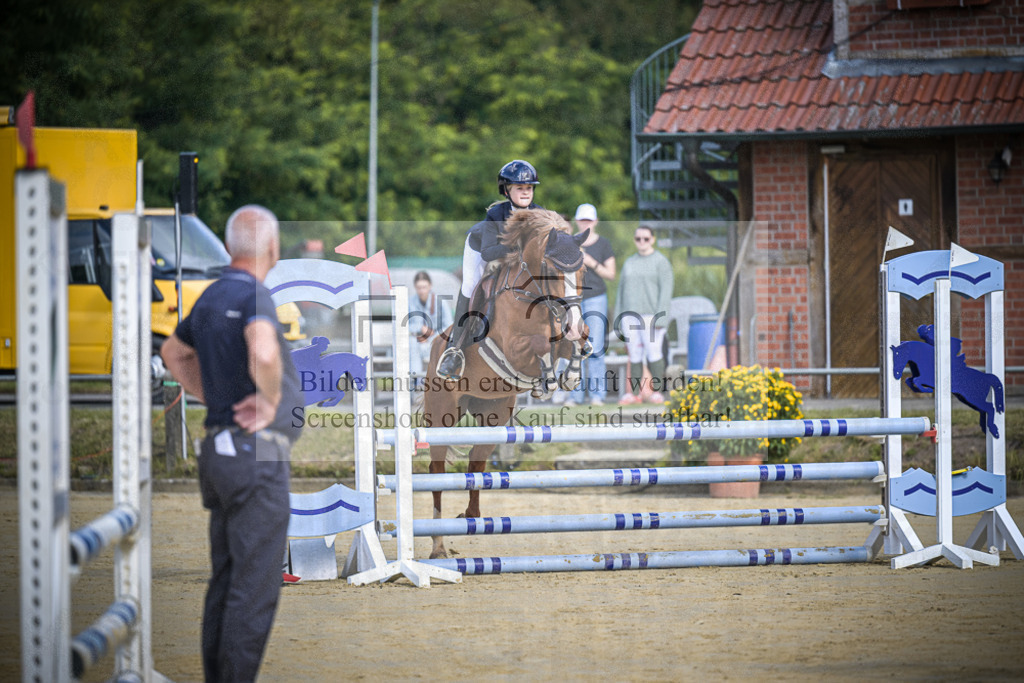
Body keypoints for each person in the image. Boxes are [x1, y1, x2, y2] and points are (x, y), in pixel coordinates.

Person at [160, 204, 303, 683]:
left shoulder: (210, 293)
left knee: (225, 580)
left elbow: (172, 352)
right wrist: (267, 401)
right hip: (256, 454)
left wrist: (213, 397)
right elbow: (263, 349)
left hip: (217, 451)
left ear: (226, 247)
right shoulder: (255, 295)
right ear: (272, 249)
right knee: (254, 588)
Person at [436, 159, 542, 381]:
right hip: (481, 249)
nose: (526, 192)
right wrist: (516, 243)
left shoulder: (540, 214)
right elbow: (488, 253)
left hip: (516, 260)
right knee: (470, 285)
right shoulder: (495, 215)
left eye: (529, 188)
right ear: (506, 190)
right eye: (519, 188)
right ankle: (454, 349)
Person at [614, 224, 673, 405]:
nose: (642, 242)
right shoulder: (629, 262)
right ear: (634, 240)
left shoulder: (661, 262)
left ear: (652, 239)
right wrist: (618, 316)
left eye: (646, 238)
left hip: (651, 316)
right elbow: (621, 291)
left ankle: (657, 392)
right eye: (638, 239)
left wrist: (661, 317)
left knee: (654, 353)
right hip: (629, 315)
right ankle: (634, 394)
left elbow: (666, 291)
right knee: (635, 353)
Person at [566, 203, 615, 406]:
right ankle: (574, 396)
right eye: (582, 219)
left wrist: (589, 261)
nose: (585, 223)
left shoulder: (603, 244)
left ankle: (597, 396)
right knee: (574, 348)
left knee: (594, 347)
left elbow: (611, 274)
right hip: (572, 300)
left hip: (595, 298)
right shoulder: (568, 243)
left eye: (589, 219)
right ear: (577, 221)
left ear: (595, 221)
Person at [408, 270, 453, 386]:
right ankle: (418, 385)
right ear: (415, 287)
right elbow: (404, 325)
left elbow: (449, 325)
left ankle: (431, 386)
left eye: (424, 287)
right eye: (419, 287)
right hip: (417, 342)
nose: (422, 291)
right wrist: (420, 328)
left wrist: (433, 335)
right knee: (411, 344)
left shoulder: (440, 302)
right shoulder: (410, 302)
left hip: (435, 341)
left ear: (430, 286)